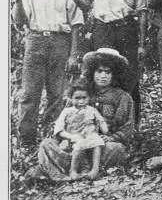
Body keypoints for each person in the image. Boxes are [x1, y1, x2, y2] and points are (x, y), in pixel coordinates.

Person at [64, 0, 148, 124]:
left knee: (129, 77)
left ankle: (131, 126)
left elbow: (142, 12)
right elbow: (85, 5)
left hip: (126, 29)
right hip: (102, 29)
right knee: (99, 74)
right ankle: (98, 123)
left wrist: (141, 45)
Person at [11, 0, 83, 147]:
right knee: (29, 93)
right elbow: (19, 21)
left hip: (60, 42)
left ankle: (53, 138)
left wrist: (73, 55)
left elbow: (76, 24)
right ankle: (26, 140)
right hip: (35, 42)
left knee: (56, 93)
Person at [33, 48, 135, 182]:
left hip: (101, 146)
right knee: (47, 144)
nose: (103, 76)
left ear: (114, 74)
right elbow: (64, 120)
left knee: (117, 149)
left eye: (107, 72)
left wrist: (111, 138)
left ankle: (80, 168)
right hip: (75, 142)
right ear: (92, 72)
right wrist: (67, 137)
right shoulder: (80, 93)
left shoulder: (123, 97)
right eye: (99, 71)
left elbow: (127, 128)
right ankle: (70, 171)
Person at [53, 79, 109, 181]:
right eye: (77, 98)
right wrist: (71, 136)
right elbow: (59, 129)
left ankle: (95, 170)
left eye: (84, 98)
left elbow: (100, 121)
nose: (81, 101)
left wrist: (104, 127)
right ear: (70, 98)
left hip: (90, 135)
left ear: (89, 98)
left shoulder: (91, 110)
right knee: (79, 144)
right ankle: (73, 170)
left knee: (97, 141)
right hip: (75, 136)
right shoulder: (67, 111)